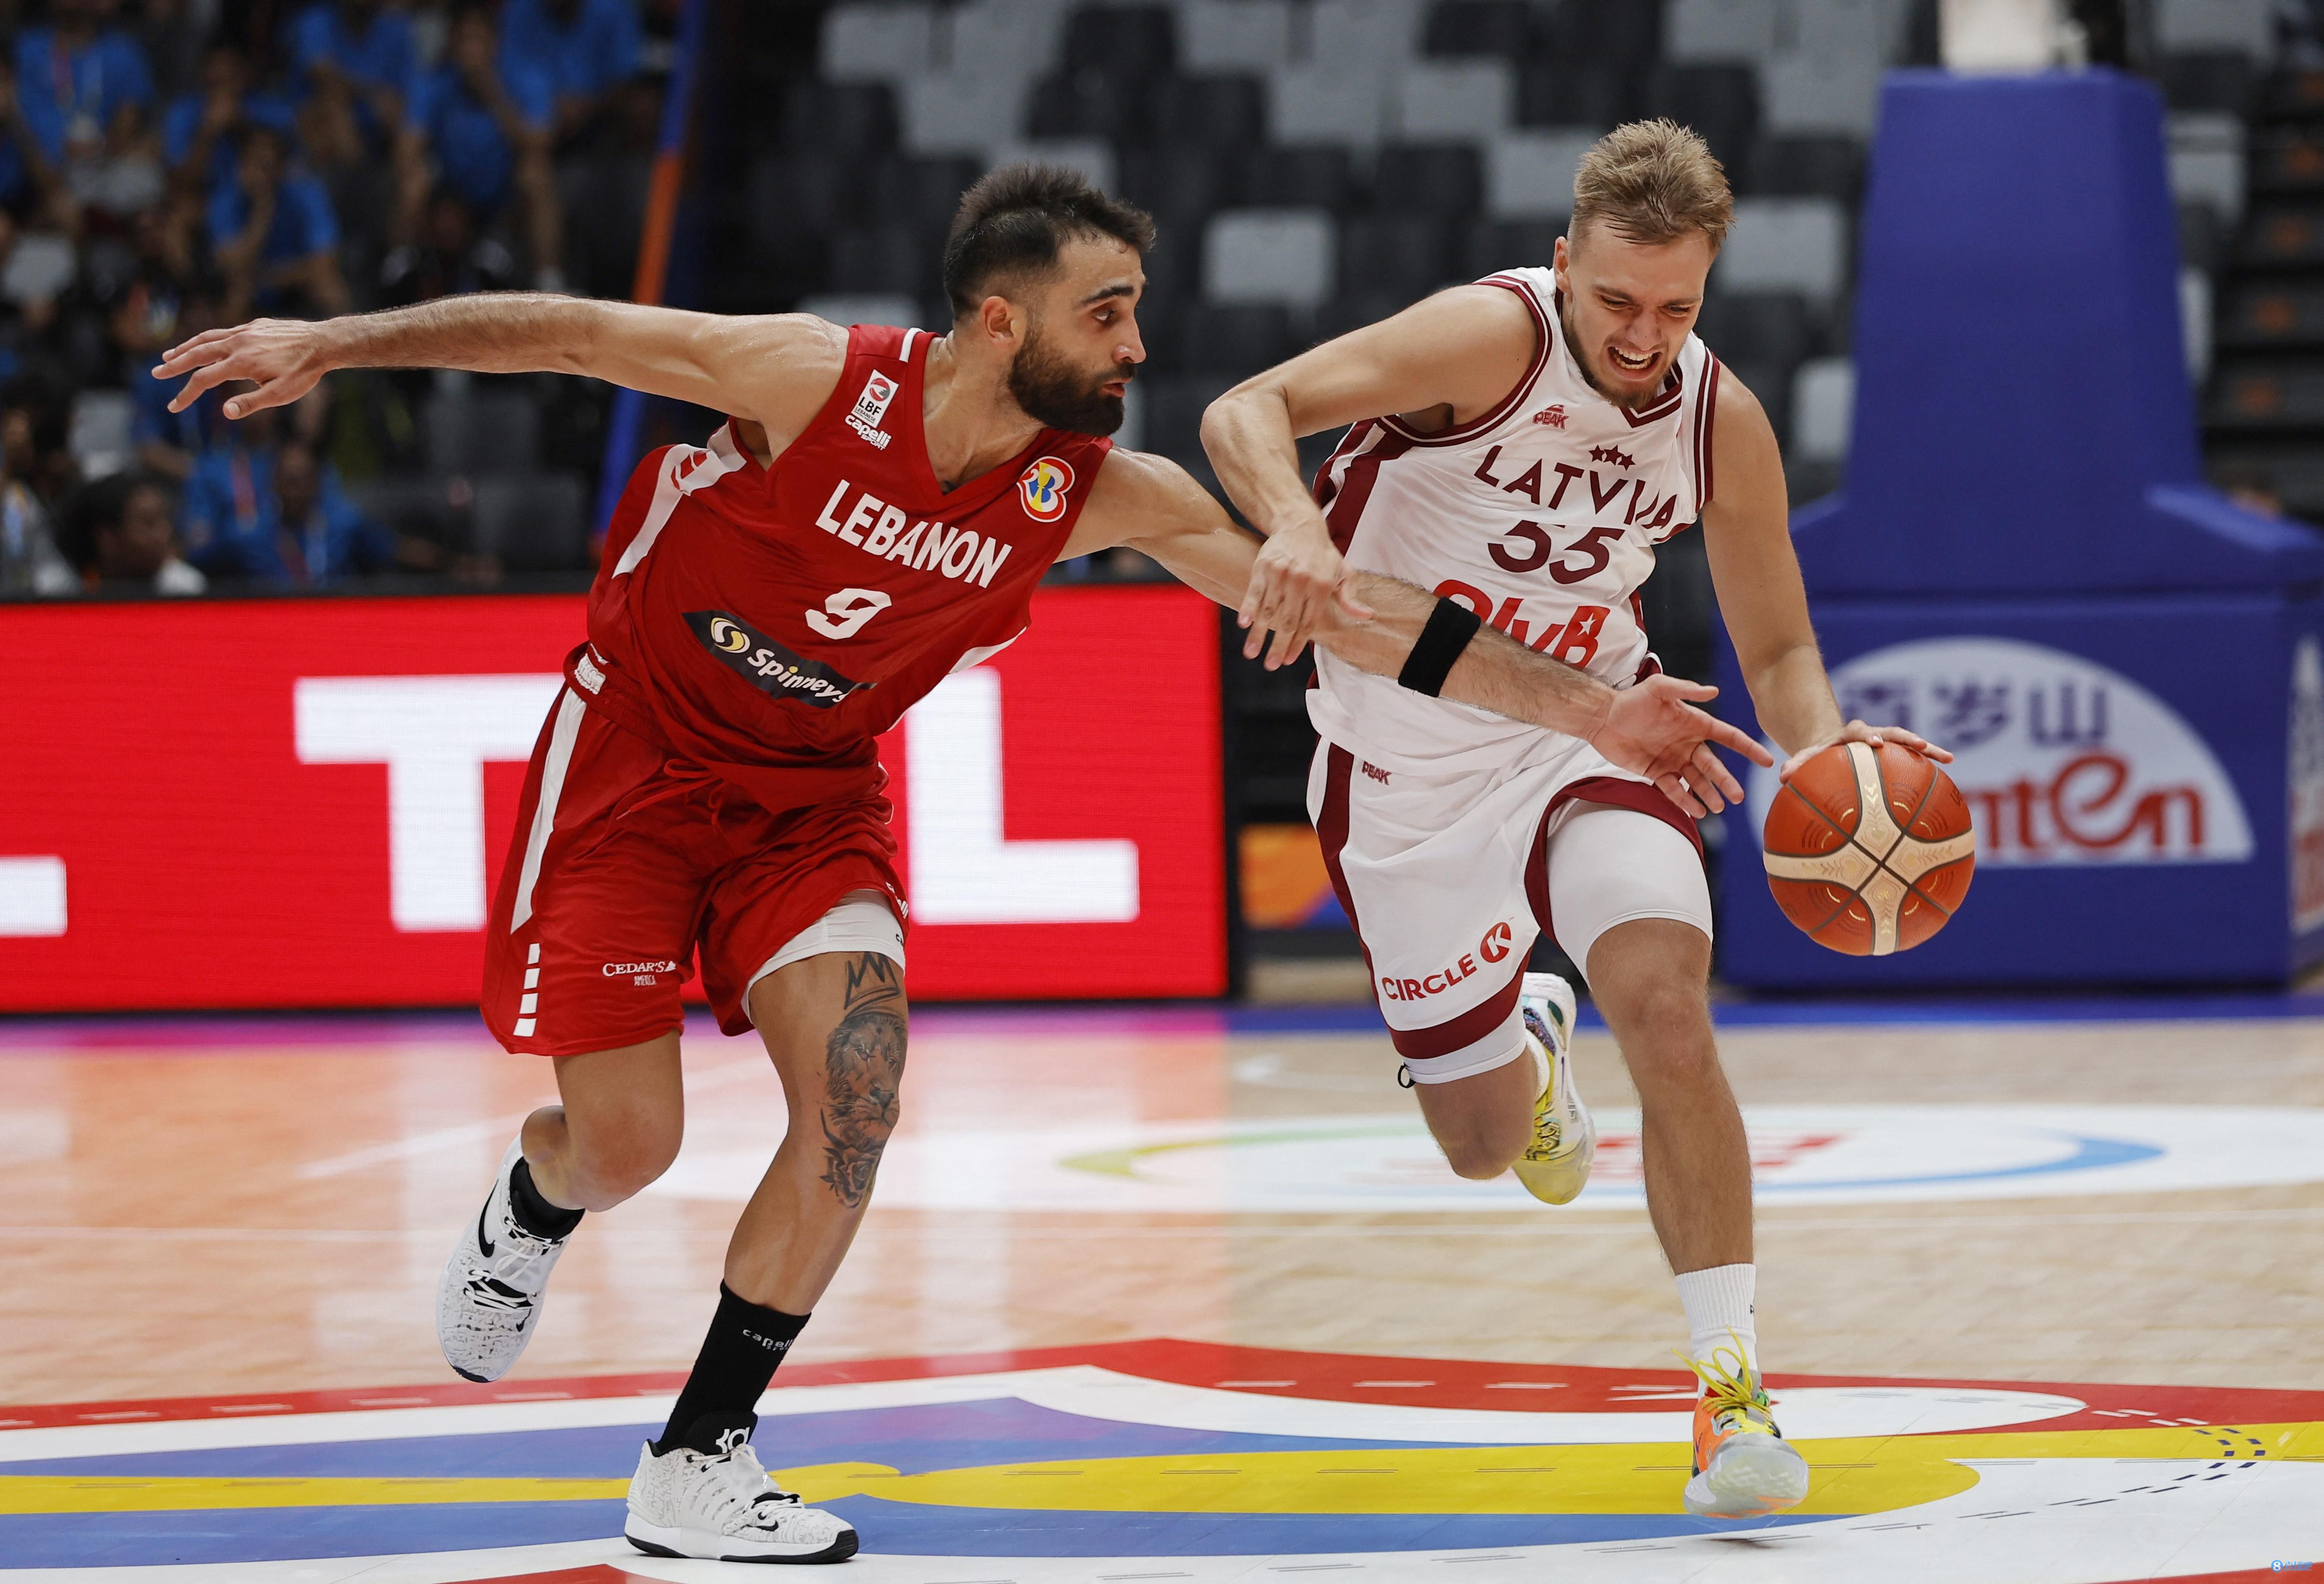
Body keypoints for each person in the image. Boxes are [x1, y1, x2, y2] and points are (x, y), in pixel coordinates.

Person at [156, 163, 1766, 1562]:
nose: (1136, 347)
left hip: (809, 800)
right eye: (1107, 315)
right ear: (1002, 321)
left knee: (857, 1089)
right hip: (635, 769)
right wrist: (334, 342)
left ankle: (698, 1454)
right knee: (626, 1142)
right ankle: (538, 1194)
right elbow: (569, 330)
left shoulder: (1097, 491)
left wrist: (1593, 710)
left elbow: (1358, 613)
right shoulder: (808, 379)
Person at [1203, 121, 1951, 1521]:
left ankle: (1729, 1391)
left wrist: (1824, 751)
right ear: (1563, 264)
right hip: (1403, 765)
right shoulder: (1485, 340)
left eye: (1674, 306)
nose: (1640, 335)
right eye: (1614, 299)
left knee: (1666, 1010)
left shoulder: (1717, 416)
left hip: (1596, 726)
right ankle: (1529, 1048)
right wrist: (1290, 525)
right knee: (1483, 1145)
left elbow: (1777, 647)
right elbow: (1246, 408)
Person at [397, 4, 559, 289]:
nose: (471, 50)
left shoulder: (525, 77)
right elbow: (407, 148)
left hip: (504, 195)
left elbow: (539, 145)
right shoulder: (435, 82)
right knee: (414, 181)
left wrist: (492, 94)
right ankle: (400, 270)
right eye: (464, 40)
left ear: (495, 42)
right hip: (452, 196)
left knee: (536, 175)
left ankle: (549, 279)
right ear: (453, 44)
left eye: (478, 40)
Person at [208, 124, 349, 320]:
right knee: (237, 294)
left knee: (330, 288)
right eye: (252, 162)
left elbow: (324, 262)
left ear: (282, 168)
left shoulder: (307, 194)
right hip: (252, 288)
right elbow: (233, 265)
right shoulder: (225, 201)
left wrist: (271, 278)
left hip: (293, 282)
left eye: (266, 166)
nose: (259, 174)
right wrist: (263, 208)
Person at [58, 469, 204, 594]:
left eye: (166, 520)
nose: (164, 534)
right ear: (107, 538)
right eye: (149, 524)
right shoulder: (62, 592)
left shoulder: (186, 590)